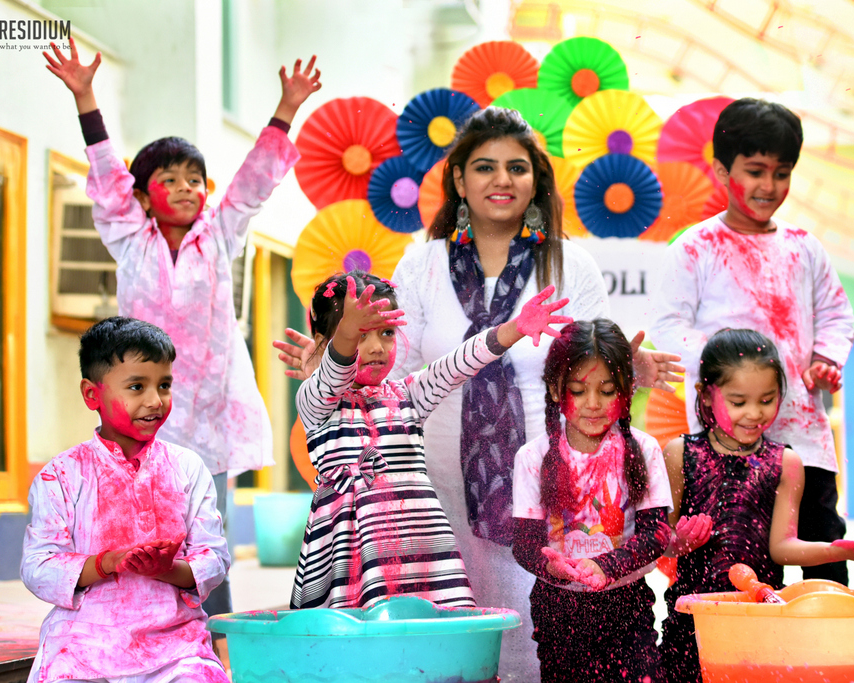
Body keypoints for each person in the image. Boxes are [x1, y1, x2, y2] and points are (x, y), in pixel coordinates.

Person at [276, 107, 683, 680]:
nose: (502, 179)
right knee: (440, 633)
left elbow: (592, 366)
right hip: (427, 488)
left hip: (544, 488)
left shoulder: (572, 265)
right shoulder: (423, 263)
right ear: (459, 181)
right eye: (485, 167)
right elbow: (399, 364)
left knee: (540, 632)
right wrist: (330, 362)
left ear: (537, 181)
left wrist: (629, 364)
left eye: (517, 168)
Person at [44, 38, 321, 624]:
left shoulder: (219, 238)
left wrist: (286, 108)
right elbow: (106, 178)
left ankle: (210, 629)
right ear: (144, 196)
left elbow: (252, 184)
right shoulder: (128, 238)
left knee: (205, 524)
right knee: (132, 515)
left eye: (196, 178)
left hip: (210, 409)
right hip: (136, 405)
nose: (188, 187)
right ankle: (134, 618)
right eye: (170, 179)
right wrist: (86, 95)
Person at [650, 97, 854, 586]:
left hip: (803, 443)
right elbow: (667, 326)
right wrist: (732, 365)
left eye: (781, 173)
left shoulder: (805, 247)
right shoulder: (695, 247)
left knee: (822, 569)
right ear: (722, 170)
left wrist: (826, 360)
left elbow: (836, 315)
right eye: (756, 170)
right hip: (726, 452)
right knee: (728, 576)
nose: (769, 186)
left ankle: (821, 659)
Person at [291, 270, 571, 609]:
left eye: (387, 332)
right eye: (360, 335)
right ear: (325, 339)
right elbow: (334, 373)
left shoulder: (408, 395)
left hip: (421, 554)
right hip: (350, 556)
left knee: (430, 642)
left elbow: (456, 365)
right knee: (355, 644)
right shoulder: (316, 401)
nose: (377, 347)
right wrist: (345, 338)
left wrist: (512, 331)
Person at [657, 329, 854, 683]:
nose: (755, 413)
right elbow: (657, 541)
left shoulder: (785, 462)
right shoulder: (680, 454)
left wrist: (836, 551)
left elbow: (782, 548)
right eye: (738, 402)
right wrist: (676, 542)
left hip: (761, 621)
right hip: (692, 622)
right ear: (706, 395)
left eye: (767, 399)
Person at [21, 317, 231, 683]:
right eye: (137, 386)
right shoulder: (62, 476)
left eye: (164, 385)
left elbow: (215, 558)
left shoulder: (187, 468)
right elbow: (38, 567)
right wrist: (107, 563)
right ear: (92, 394)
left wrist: (163, 569)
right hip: (83, 646)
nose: (155, 401)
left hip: (176, 646)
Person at [512, 319, 673, 683]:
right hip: (558, 608)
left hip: (625, 604)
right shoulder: (532, 458)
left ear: (627, 390)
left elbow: (656, 534)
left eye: (607, 390)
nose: (594, 404)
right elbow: (524, 545)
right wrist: (551, 567)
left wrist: (606, 567)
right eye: (579, 390)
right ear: (556, 389)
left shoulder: (643, 450)